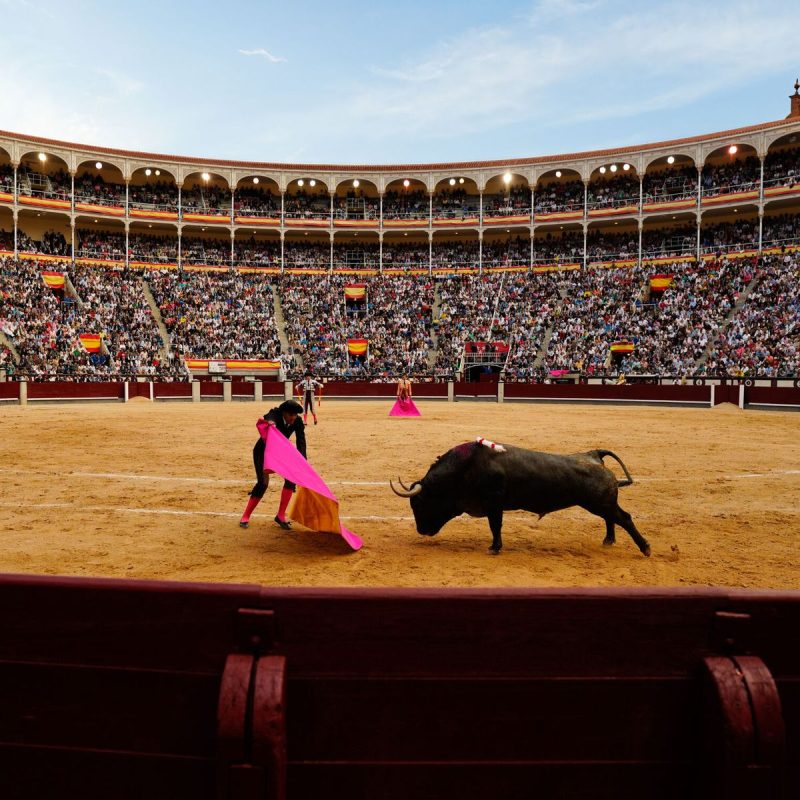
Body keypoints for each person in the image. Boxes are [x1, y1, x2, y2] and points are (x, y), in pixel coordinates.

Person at [239, 399, 306, 530]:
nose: (293, 418)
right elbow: (269, 416)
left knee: (291, 479)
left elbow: (301, 441)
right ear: (284, 413)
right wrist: (270, 422)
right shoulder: (276, 414)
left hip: (279, 452)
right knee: (263, 483)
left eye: (295, 415)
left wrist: (302, 460)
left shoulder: (297, 421)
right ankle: (245, 516)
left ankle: (280, 516)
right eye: (291, 415)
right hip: (262, 452)